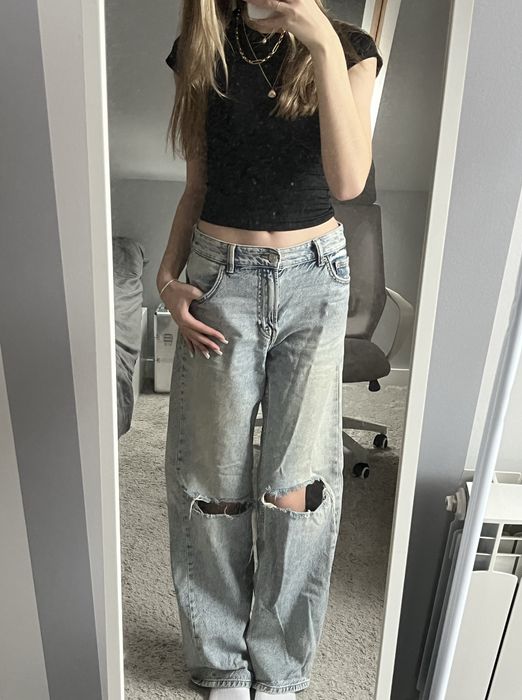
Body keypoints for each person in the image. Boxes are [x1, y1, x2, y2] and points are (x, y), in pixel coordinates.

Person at [158, 1, 382, 697]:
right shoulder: (202, 44)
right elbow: (197, 185)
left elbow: (348, 182)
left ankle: (279, 668)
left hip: (316, 280)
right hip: (218, 275)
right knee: (213, 485)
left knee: (298, 490)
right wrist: (166, 280)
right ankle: (221, 661)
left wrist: (321, 43)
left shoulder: (350, 48)